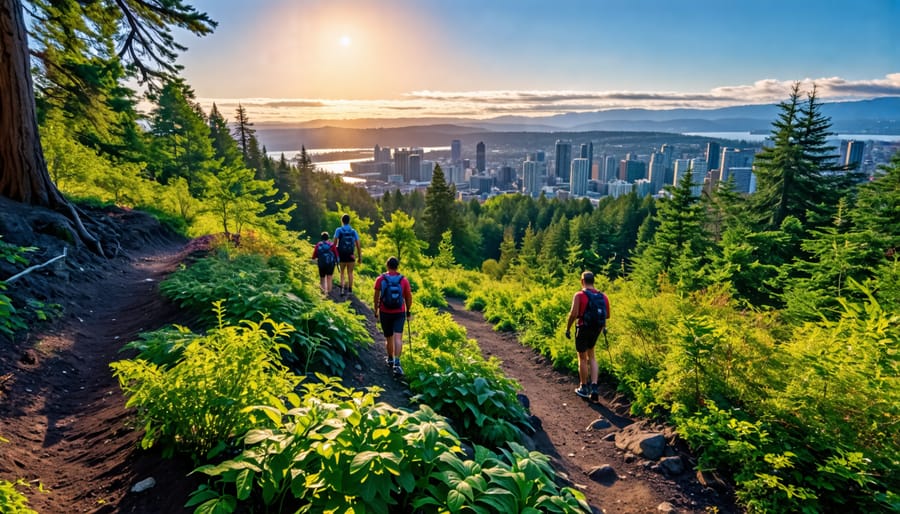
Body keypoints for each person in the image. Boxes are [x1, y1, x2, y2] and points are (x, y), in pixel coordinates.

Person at [565, 271, 610, 401]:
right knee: (592, 356)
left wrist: (567, 329)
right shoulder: (603, 296)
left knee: (582, 358)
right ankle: (594, 387)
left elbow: (573, 314)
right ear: (593, 281)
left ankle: (583, 387)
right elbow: (607, 315)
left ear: (582, 281)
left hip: (583, 327)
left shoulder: (579, 295)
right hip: (597, 328)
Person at [373, 256, 413, 377]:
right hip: (399, 312)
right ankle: (397, 363)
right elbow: (408, 297)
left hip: (385, 312)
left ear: (387, 266)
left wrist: (376, 310)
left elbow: (376, 297)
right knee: (398, 338)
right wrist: (408, 310)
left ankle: (390, 359)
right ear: (397, 266)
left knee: (389, 338)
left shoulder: (380, 279)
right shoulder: (404, 280)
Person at [333, 214, 361, 296]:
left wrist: (334, 254)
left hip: (341, 255)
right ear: (349, 221)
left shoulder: (338, 230)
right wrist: (360, 257)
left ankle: (342, 290)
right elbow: (358, 245)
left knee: (342, 272)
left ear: (342, 221)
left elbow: (334, 244)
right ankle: (350, 290)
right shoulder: (353, 231)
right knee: (350, 272)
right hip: (351, 255)